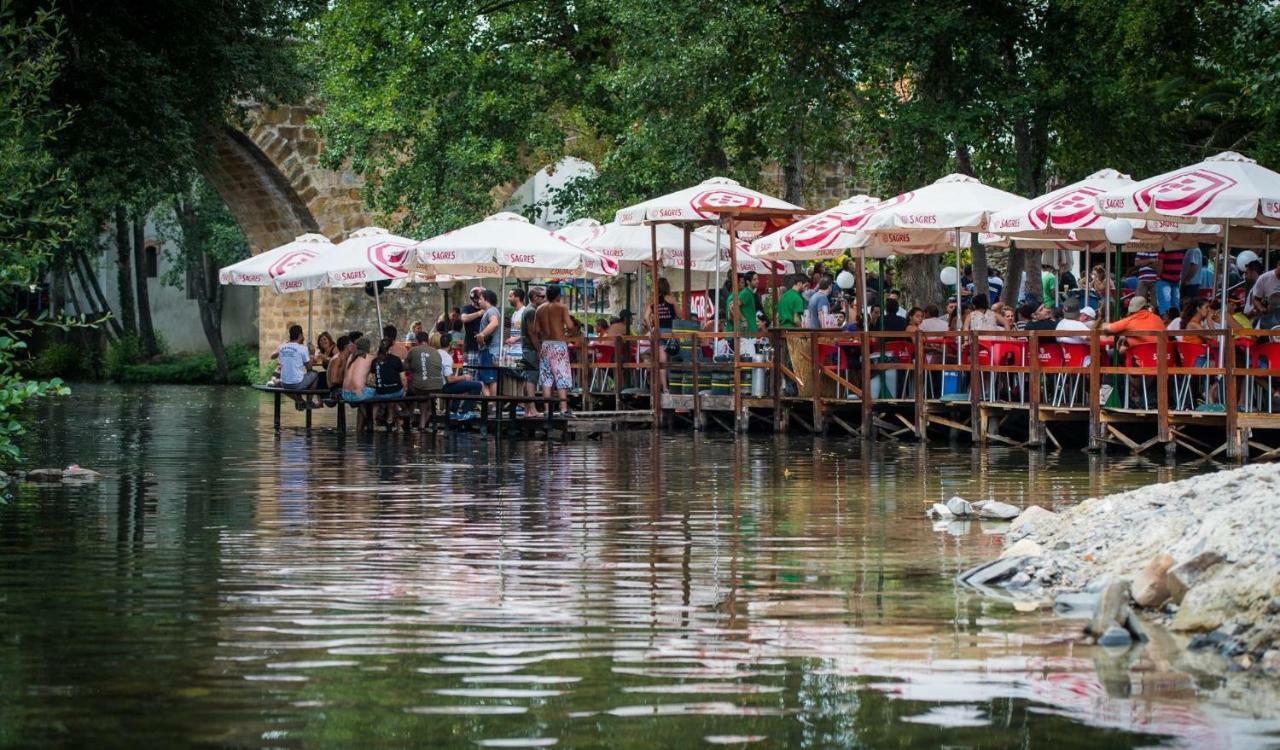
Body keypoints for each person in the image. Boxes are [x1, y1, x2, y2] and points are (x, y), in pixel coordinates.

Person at [531, 284, 574, 416]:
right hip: (558, 345)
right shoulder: (562, 307)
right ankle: (563, 409)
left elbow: (535, 330)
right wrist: (565, 331)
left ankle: (546, 410)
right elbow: (571, 326)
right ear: (558, 295)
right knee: (562, 376)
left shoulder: (539, 309)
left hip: (545, 345)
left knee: (546, 378)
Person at [271, 324, 317, 410]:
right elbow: (309, 369)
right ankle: (309, 402)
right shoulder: (302, 348)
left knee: (294, 377)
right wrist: (312, 354)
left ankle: (300, 401)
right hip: (297, 384)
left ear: (290, 335)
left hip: (284, 384)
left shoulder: (282, 347)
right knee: (315, 374)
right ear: (300, 335)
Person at [517, 286, 546, 417]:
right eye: (542, 297)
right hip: (530, 349)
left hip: (527, 348)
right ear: (535, 297)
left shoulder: (530, 310)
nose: (545, 299)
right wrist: (539, 349)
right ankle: (532, 409)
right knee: (531, 378)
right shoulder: (531, 311)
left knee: (527, 377)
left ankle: (527, 409)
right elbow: (532, 333)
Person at [341, 336, 377, 431]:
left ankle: (359, 429)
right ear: (368, 348)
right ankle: (372, 422)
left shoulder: (350, 357)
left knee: (362, 402)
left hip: (345, 394)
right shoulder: (370, 358)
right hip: (358, 395)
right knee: (381, 392)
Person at [472, 289, 501, 396]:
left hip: (490, 350)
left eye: (480, 299)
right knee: (481, 379)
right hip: (486, 350)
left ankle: (493, 404)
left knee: (490, 378)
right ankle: (489, 403)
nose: (478, 302)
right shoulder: (489, 311)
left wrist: (482, 334)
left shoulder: (491, 311)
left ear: (487, 300)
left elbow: (494, 323)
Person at [1154, 246, 1189, 315]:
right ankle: (1175, 322)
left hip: (1164, 279)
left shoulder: (1164, 248)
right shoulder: (1181, 248)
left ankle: (1166, 322)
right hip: (1176, 279)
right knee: (1175, 303)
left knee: (1165, 304)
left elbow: (1160, 265)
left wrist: (1157, 275)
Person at [324, 335, 353, 407]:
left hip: (341, 389)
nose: (353, 346)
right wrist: (347, 381)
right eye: (351, 344)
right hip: (335, 391)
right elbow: (333, 380)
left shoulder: (345, 358)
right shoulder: (337, 359)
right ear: (347, 346)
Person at [460, 286, 486, 365]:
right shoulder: (467, 308)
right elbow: (464, 318)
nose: (481, 300)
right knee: (469, 374)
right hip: (470, 347)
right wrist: (479, 313)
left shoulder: (488, 309)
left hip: (485, 348)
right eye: (479, 298)